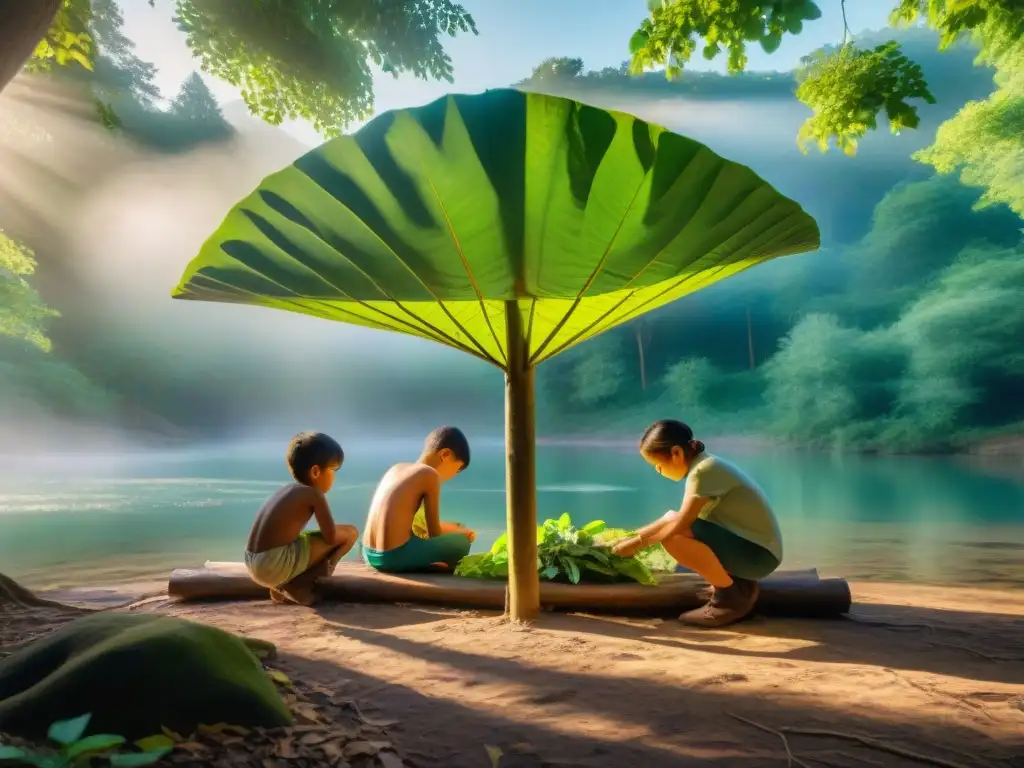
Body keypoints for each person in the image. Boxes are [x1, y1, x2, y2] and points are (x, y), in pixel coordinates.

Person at [606, 420, 783, 628]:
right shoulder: (705, 465)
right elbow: (674, 517)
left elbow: (682, 523)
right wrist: (629, 537)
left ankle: (729, 600)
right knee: (671, 519)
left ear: (676, 454)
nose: (658, 471)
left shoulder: (703, 472)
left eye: (658, 465)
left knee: (673, 537)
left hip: (758, 556)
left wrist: (637, 544)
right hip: (753, 547)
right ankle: (736, 583)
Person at [244, 431, 358, 605]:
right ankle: (302, 585)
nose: (334, 477)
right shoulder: (313, 494)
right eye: (333, 470)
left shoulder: (287, 490)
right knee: (350, 533)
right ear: (315, 472)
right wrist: (327, 562)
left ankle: (281, 585)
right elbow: (331, 537)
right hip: (272, 565)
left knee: (302, 539)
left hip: (252, 562)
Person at [362, 426, 476, 573]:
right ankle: (440, 566)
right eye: (458, 468)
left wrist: (453, 528)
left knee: (456, 529)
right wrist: (463, 533)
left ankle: (430, 561)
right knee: (461, 543)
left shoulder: (396, 468)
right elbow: (434, 533)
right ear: (445, 455)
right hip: (392, 557)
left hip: (369, 553)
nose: (455, 474)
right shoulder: (429, 475)